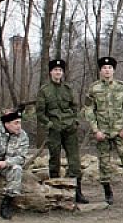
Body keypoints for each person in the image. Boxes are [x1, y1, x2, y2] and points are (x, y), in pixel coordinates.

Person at [82, 56, 123, 205]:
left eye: (110, 68)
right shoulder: (94, 88)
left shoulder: (121, 87)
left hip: (121, 131)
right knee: (104, 163)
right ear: (100, 71)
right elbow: (88, 110)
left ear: (113, 70)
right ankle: (108, 192)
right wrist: (95, 130)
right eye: (104, 68)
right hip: (103, 132)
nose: (107, 70)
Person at [36, 58, 88, 204]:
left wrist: (75, 121)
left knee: (75, 162)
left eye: (60, 70)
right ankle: (54, 193)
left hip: (69, 129)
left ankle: (77, 192)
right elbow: (40, 113)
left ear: (63, 72)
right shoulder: (44, 91)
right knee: (54, 160)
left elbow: (75, 107)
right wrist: (50, 124)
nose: (58, 72)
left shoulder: (68, 89)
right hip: (54, 130)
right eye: (55, 70)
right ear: (50, 72)